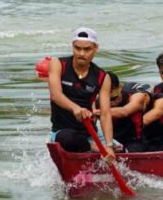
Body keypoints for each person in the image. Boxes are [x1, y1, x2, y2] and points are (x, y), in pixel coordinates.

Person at [47, 27, 115, 163]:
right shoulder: (58, 64)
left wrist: (109, 145)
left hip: (90, 133)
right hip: (62, 132)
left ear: (96, 48)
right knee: (68, 139)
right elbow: (55, 95)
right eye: (77, 48)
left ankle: (97, 148)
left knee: (121, 151)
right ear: (72, 46)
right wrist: (75, 108)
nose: (81, 53)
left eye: (87, 49)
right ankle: (92, 147)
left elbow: (105, 114)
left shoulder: (102, 77)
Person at [105, 73, 150, 153]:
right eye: (107, 99)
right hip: (112, 141)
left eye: (114, 98)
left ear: (120, 87)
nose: (112, 103)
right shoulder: (98, 100)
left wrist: (98, 112)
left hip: (136, 142)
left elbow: (125, 111)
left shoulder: (136, 96)